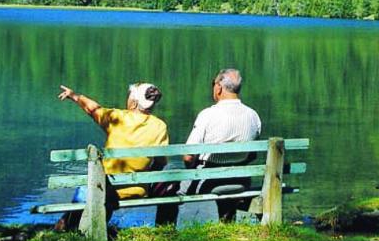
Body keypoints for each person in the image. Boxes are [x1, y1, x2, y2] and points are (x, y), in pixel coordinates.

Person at [56, 82, 170, 230]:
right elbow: (161, 162)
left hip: (105, 189)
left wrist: (74, 96)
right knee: (100, 192)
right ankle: (92, 228)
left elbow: (92, 109)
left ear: (134, 102)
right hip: (137, 190)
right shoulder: (159, 126)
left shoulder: (117, 118)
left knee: (87, 190)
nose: (127, 98)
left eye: (129, 96)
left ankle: (68, 227)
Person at [179, 68, 263, 223]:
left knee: (174, 186)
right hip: (241, 180)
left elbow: (188, 156)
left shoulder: (208, 115)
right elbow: (252, 154)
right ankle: (226, 222)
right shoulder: (253, 116)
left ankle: (168, 230)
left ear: (218, 87)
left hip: (208, 181)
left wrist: (191, 169)